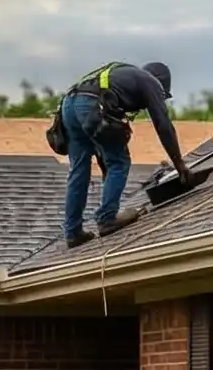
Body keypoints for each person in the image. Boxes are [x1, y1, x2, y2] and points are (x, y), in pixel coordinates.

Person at [59, 61, 192, 247]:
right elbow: (163, 125)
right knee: (119, 162)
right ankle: (107, 217)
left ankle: (73, 232)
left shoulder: (122, 76)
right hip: (90, 104)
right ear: (160, 82)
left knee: (79, 168)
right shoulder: (151, 82)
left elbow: (100, 136)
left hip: (68, 105)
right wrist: (179, 164)